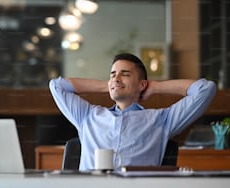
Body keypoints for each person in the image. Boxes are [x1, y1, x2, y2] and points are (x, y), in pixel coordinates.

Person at [49, 53, 216, 171]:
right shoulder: (87, 116)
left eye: (125, 74)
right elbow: (57, 86)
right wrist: (108, 86)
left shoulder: (161, 120)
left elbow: (205, 89)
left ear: (142, 84)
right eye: (113, 74)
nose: (116, 78)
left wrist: (156, 87)